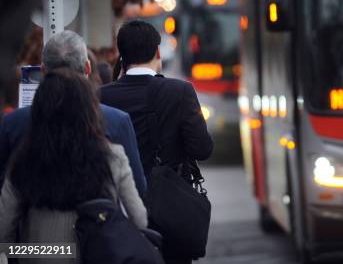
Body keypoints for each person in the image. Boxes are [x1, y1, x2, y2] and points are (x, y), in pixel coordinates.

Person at [0, 69, 148, 264]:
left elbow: (3, 230)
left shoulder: (23, 159)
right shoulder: (111, 156)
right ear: (89, 110)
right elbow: (140, 220)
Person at [100, 20, 214, 264]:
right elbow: (202, 149)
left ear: (122, 55)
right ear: (157, 52)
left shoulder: (102, 96)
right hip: (171, 211)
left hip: (119, 210)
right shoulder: (180, 91)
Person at [0, 31, 147, 197]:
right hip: (98, 220)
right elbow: (137, 189)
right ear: (87, 68)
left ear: (43, 70)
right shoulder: (117, 121)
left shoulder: (13, 123)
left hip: (31, 220)